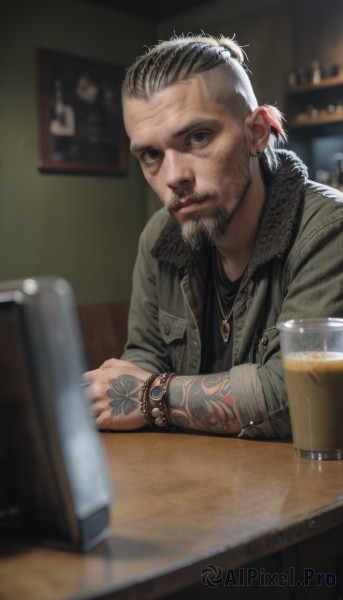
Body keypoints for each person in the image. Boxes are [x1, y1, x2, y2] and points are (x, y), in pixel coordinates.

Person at [85, 34, 343, 438]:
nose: (174, 178)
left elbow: (302, 395)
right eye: (151, 155)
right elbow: (141, 362)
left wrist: (153, 397)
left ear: (258, 132)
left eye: (198, 138)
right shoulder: (159, 236)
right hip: (196, 486)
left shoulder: (328, 231)